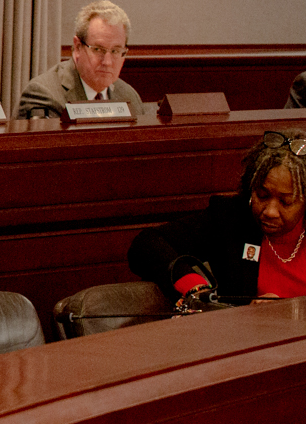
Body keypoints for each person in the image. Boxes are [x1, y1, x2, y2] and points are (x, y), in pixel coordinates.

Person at [130, 130, 306, 307]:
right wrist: (194, 288)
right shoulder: (231, 218)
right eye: (262, 195)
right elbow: (147, 244)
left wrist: (287, 314)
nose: (270, 211)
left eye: (285, 202)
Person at [14, 1, 142, 120]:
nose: (107, 62)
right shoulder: (44, 95)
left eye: (115, 51)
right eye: (98, 49)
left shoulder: (129, 97)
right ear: (77, 47)